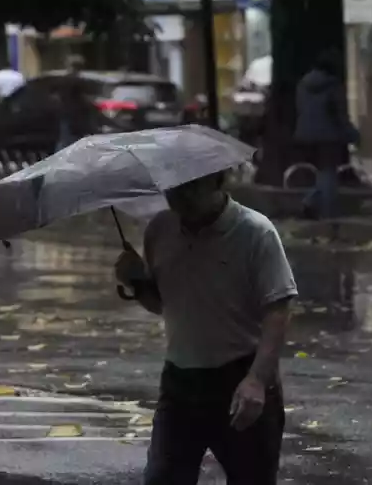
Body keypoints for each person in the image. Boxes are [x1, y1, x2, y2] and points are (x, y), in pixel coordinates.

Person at [114, 171, 298, 485]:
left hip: (238, 376)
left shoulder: (256, 232)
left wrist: (256, 379)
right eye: (172, 188)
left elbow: (278, 311)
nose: (179, 197)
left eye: (190, 187)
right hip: (180, 382)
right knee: (163, 478)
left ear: (218, 182)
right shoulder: (160, 229)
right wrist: (136, 282)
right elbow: (165, 304)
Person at [294, 48, 359, 220]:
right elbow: (340, 115)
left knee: (322, 173)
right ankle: (328, 214)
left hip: (305, 135)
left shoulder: (303, 84)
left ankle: (311, 201)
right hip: (328, 136)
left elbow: (300, 108)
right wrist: (353, 135)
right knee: (328, 173)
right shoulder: (334, 86)